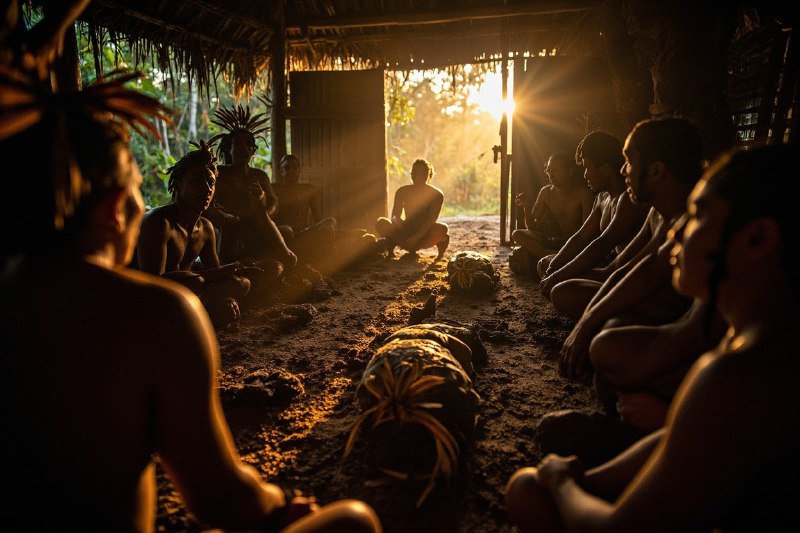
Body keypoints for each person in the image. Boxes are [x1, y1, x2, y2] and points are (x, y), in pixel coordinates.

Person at [0, 68, 381, 533]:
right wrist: (278, 501)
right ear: (118, 206)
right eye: (140, 189)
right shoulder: (160, 314)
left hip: (227, 272)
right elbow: (222, 500)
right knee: (354, 520)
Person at [506, 142, 799, 532]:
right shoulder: (762, 337)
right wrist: (590, 480)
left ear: (756, 240)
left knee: (526, 492)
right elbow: (679, 436)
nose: (676, 229)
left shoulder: (737, 376)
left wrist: (561, 482)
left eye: (697, 216)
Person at [557, 118, 702, 382]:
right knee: (602, 327)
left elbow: (643, 272)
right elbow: (633, 269)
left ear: (656, 171)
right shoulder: (658, 213)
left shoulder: (695, 220)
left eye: (629, 161)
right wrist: (587, 322)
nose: (623, 170)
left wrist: (587, 324)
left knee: (605, 345)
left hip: (683, 323)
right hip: (655, 308)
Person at [136, 141, 273, 328]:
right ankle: (198, 317)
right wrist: (216, 274)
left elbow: (215, 275)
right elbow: (152, 283)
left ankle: (201, 313)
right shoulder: (159, 222)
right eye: (196, 181)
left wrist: (232, 273)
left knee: (241, 283)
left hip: (191, 292)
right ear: (177, 185)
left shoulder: (206, 228)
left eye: (210, 182)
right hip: (155, 300)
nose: (206, 188)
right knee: (197, 280)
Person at [537, 132, 651, 300]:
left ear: (605, 169)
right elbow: (581, 237)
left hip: (624, 270)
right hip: (608, 264)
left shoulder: (628, 200)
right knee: (545, 264)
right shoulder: (601, 197)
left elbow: (602, 244)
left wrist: (559, 275)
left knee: (561, 291)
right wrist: (555, 267)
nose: (584, 175)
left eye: (587, 167)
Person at [206, 104, 298, 271]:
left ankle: (281, 258)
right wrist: (225, 217)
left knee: (285, 230)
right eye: (239, 144)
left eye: (249, 144)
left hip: (256, 231)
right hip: (227, 233)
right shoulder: (218, 174)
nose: (245, 148)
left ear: (253, 150)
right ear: (229, 148)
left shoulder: (259, 175)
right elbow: (206, 206)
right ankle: (232, 268)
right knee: (232, 224)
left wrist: (263, 202)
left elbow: (274, 204)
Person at [510, 151, 594, 273]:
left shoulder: (583, 194)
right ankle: (553, 256)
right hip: (555, 242)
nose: (550, 174)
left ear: (569, 172)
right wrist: (526, 207)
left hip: (577, 245)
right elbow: (532, 227)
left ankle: (556, 259)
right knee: (517, 234)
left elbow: (588, 232)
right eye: (548, 170)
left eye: (555, 170)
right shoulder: (546, 192)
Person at [375, 158, 449, 261]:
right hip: (406, 230)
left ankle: (439, 253)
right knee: (381, 222)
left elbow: (432, 220)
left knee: (443, 229)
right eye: (416, 173)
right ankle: (397, 249)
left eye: (423, 174)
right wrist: (402, 229)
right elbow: (395, 216)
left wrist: (416, 237)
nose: (418, 176)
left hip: (425, 232)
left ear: (429, 175)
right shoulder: (402, 191)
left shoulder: (436, 194)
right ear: (411, 174)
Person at [272, 154, 337, 265]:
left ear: (299, 170)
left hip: (302, 233)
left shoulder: (309, 189)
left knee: (330, 221)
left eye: (295, 167)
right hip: (283, 234)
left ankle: (330, 263)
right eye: (287, 168)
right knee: (287, 230)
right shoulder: (274, 189)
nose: (291, 171)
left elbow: (318, 218)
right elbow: (269, 217)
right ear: (280, 171)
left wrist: (324, 229)